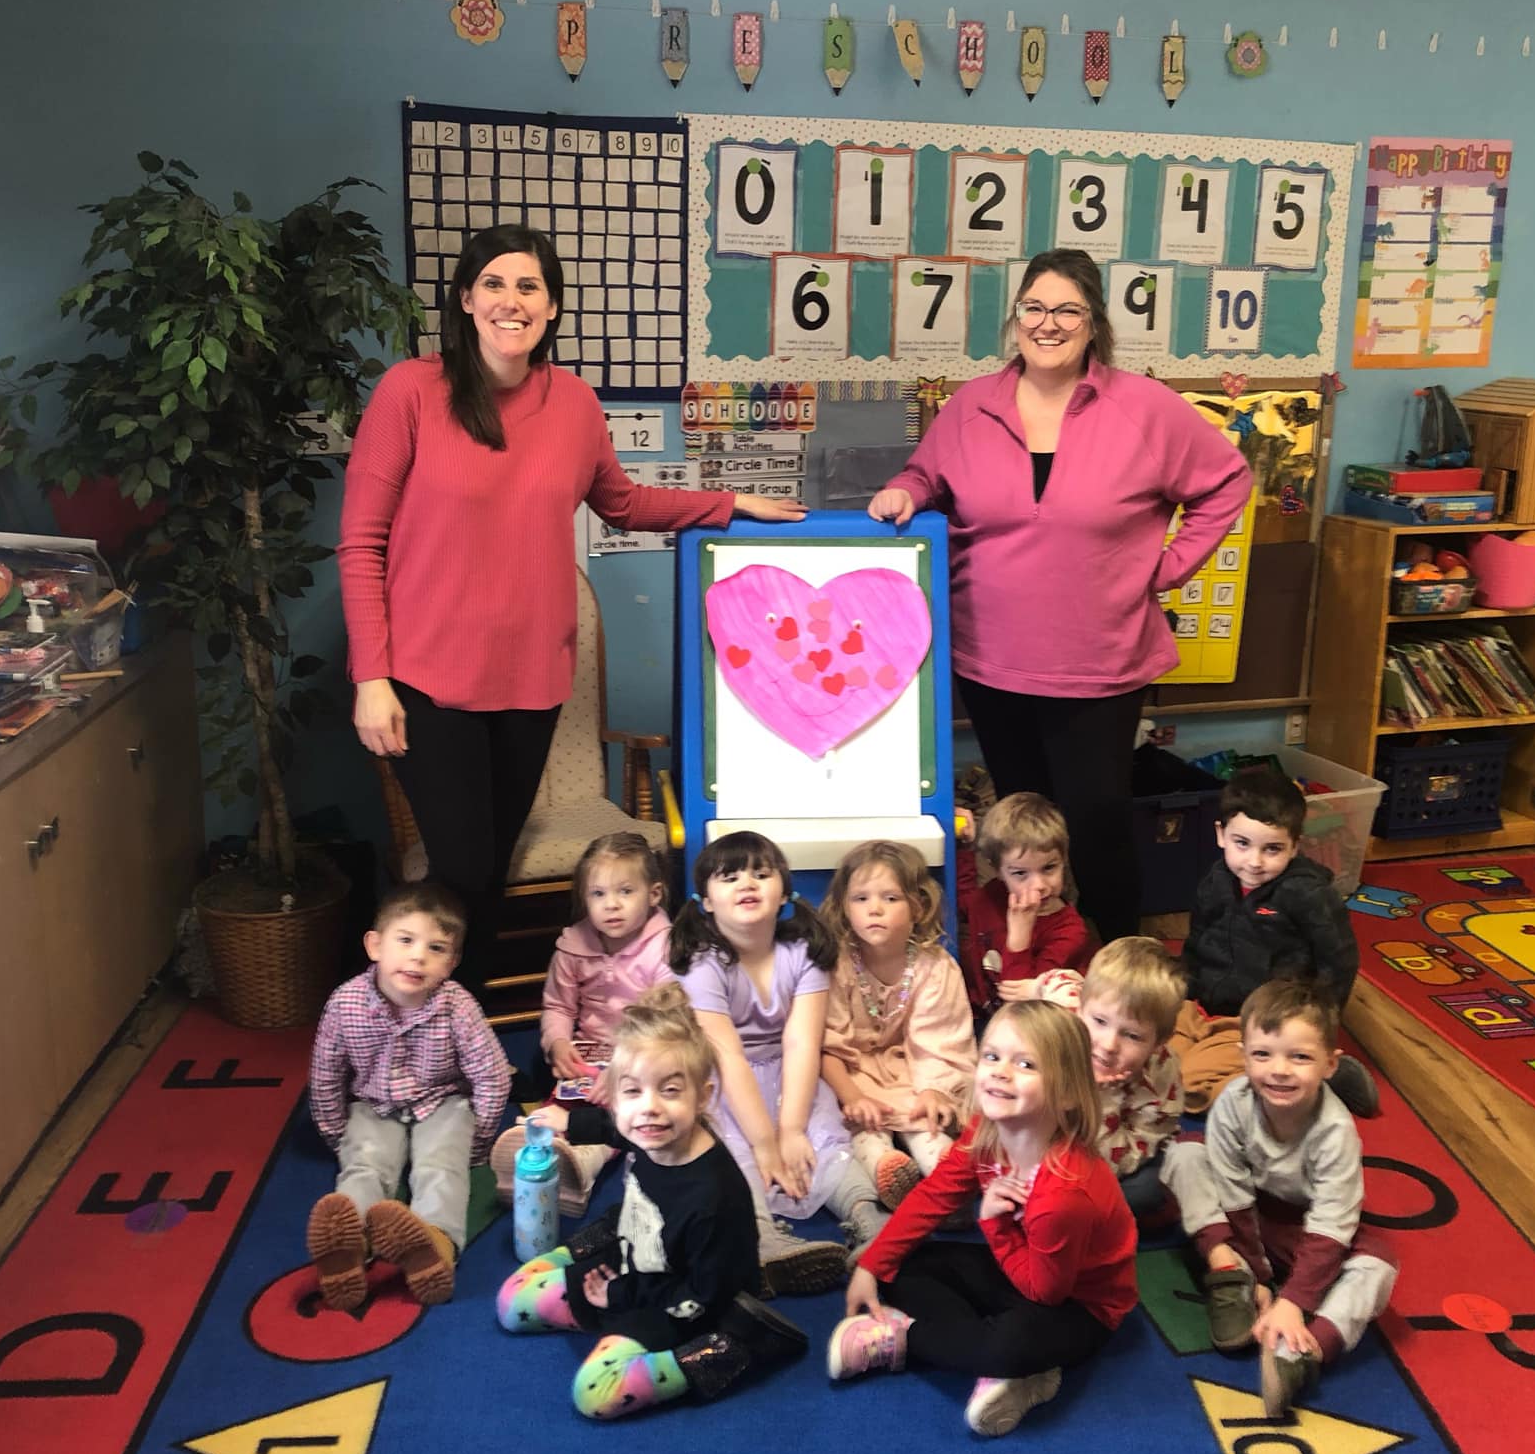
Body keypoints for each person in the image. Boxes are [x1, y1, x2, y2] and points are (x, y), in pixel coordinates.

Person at [339, 223, 806, 988]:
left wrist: (730, 503)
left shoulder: (573, 404)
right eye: (493, 284)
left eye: (528, 287)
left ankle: (469, 1035)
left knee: (488, 867)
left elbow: (623, 502)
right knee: (461, 870)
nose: (510, 301)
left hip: (532, 681)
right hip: (426, 681)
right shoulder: (410, 393)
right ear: (464, 299)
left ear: (552, 307)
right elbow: (361, 543)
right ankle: (441, 1037)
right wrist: (371, 677)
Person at [869, 248, 1253, 942]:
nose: (1048, 324)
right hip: (990, 657)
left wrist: (1167, 570)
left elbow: (1227, 480)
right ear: (1016, 318)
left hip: (1098, 662)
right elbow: (926, 477)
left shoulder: (1143, 408)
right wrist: (906, 489)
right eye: (1035, 308)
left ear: (1093, 323)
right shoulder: (971, 406)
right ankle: (1027, 958)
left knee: (1096, 821)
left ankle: (1116, 961)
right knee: (1020, 827)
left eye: (1067, 310)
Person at [497, 982, 809, 1419]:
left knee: (595, 1393)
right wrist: (568, 1121)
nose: (648, 1109)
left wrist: (618, 1297)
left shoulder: (713, 1197)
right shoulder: (648, 1129)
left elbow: (701, 1297)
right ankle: (603, 1242)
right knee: (512, 1303)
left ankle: (739, 1345)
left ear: (703, 1096)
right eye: (632, 1092)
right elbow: (615, 1128)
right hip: (635, 1258)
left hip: (683, 1304)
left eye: (670, 1090)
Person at [826, 1000, 1137, 1438]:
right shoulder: (986, 1133)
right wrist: (872, 1264)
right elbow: (933, 1197)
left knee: (1010, 1345)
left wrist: (994, 1225)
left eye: (1026, 1063)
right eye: (992, 1056)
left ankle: (910, 1343)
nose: (1000, 1071)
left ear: (1066, 1093)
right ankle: (1000, 1361)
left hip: (1081, 1305)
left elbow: (1044, 1293)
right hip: (1024, 1270)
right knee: (901, 1269)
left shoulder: (1064, 1194)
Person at [1159, 980, 1398, 1417]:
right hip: (1242, 1223)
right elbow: (1231, 1190)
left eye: (1300, 1057)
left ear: (1330, 1064)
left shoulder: (1335, 1131)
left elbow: (1332, 1223)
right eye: (1262, 1054)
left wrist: (1291, 1303)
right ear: (1244, 1055)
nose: (1279, 1070)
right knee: (1184, 1154)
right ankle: (1226, 1275)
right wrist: (1250, 1271)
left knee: (1378, 1265)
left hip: (1303, 1229)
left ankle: (1304, 1353)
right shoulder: (1234, 1102)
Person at [671, 830, 881, 1291]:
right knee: (729, 1146)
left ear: (784, 892)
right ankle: (761, 1237)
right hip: (723, 1079)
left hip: (787, 1073)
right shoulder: (703, 964)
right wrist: (767, 1143)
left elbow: (803, 1043)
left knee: (823, 1135)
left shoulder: (802, 953)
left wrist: (789, 1129)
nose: (747, 883)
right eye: (730, 877)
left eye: (761, 874)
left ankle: (869, 1218)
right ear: (705, 900)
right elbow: (726, 1056)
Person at [305, 882, 509, 1310]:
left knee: (440, 1167)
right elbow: (325, 1075)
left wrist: (477, 1143)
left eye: (436, 948)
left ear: (451, 963)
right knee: (365, 1166)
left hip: (442, 1102)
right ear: (375, 946)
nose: (418, 956)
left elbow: (490, 1074)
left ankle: (434, 1246)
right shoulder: (345, 1004)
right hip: (374, 1105)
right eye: (405, 940)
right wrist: (336, 1135)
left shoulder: (458, 1005)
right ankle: (348, 1249)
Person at [1175, 767, 1379, 1117]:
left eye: (1272, 849)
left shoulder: (1308, 894)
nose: (1254, 862)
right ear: (1221, 835)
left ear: (1295, 846)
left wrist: (1315, 1033)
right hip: (1203, 1008)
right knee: (1149, 1052)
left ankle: (1318, 1078)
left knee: (1186, 1083)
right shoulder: (1216, 880)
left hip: (1262, 1023)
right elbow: (1197, 942)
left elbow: (1339, 962)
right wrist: (1182, 991)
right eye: (1242, 844)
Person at [491, 832, 672, 1217]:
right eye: (598, 894)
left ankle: (582, 1167)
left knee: (629, 1110)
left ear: (654, 894)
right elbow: (557, 1005)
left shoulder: (664, 948)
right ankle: (536, 1152)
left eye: (626, 891)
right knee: (561, 1095)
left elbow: (666, 1024)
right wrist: (557, 1043)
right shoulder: (573, 947)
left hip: (644, 1055)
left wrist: (627, 1068)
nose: (612, 905)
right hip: (588, 1054)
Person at [818, 840, 976, 1209]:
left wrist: (933, 1091)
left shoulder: (935, 966)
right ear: (844, 907)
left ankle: (945, 1182)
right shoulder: (836, 965)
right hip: (850, 1073)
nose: (874, 909)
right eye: (860, 899)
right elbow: (827, 1044)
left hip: (912, 1070)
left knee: (928, 1122)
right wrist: (853, 1097)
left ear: (917, 906)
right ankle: (887, 1169)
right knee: (862, 1125)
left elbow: (939, 1042)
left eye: (890, 898)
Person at [1004, 935, 1186, 1220]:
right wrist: (1033, 986)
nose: (1109, 1044)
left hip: (1103, 1149)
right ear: (1082, 1009)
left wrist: (1106, 1098)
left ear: (1158, 1042)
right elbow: (1058, 979)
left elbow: (1132, 1149)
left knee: (1148, 1190)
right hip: (1045, 1120)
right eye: (1099, 1022)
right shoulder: (1065, 1014)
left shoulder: (1161, 1076)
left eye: (1132, 1035)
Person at [955, 794, 1097, 1015]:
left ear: (1064, 860)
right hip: (980, 1011)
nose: (1039, 885)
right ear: (998, 871)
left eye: (1049, 868)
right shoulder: (993, 894)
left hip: (1029, 1029)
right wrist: (964, 847)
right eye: (1020, 873)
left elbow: (1024, 1008)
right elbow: (963, 902)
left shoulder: (1070, 932)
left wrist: (1019, 935)